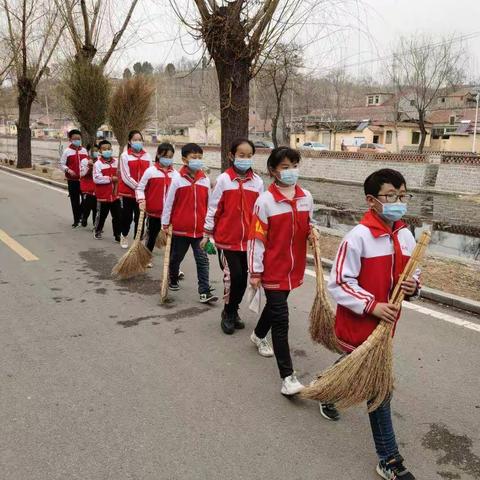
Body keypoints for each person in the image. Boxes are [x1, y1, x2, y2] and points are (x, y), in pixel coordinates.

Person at [325, 168, 419, 480]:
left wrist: (413, 288)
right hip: (359, 325)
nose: (398, 202)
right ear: (371, 200)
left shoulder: (405, 235)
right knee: (380, 390)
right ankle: (389, 459)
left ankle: (325, 391)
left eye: (402, 196)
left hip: (385, 329)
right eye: (391, 196)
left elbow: (412, 275)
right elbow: (338, 283)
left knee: (350, 367)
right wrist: (372, 305)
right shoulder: (358, 238)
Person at [248, 147, 313, 396]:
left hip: (293, 268)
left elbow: (308, 225)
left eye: (294, 165)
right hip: (272, 269)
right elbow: (257, 240)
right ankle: (288, 377)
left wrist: (313, 232)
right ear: (273, 171)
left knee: (276, 308)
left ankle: (257, 334)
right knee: (282, 319)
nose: (291, 171)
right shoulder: (264, 201)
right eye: (285, 167)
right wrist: (255, 271)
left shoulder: (306, 196)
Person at [202, 138, 264, 334]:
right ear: (231, 156)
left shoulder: (258, 183)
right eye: (241, 155)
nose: (245, 159)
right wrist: (207, 232)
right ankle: (228, 313)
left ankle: (233, 310)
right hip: (226, 240)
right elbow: (214, 208)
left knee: (243, 279)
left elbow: (261, 211)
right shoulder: (223, 180)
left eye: (249, 156)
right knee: (233, 276)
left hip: (248, 243)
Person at [161, 143, 218, 304]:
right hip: (180, 230)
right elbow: (169, 203)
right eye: (194, 157)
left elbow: (209, 204)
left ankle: (204, 291)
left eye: (200, 157)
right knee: (176, 258)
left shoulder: (204, 180)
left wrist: (210, 227)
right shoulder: (177, 179)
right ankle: (173, 277)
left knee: (202, 260)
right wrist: (165, 224)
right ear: (184, 159)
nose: (197, 160)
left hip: (200, 231)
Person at [136, 143, 179, 256]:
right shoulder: (150, 171)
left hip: (170, 214)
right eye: (165, 156)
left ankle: (172, 265)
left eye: (170, 157)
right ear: (158, 155)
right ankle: (147, 257)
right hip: (154, 213)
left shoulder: (176, 174)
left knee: (172, 240)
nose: (168, 159)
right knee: (152, 236)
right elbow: (140, 188)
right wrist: (141, 200)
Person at [118, 130, 152, 248]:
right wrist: (140, 188)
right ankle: (124, 235)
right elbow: (126, 176)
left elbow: (151, 173)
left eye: (140, 140)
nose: (138, 142)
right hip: (128, 193)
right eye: (135, 140)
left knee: (140, 218)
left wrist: (146, 189)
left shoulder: (147, 155)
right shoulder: (125, 156)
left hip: (142, 195)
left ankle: (137, 241)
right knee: (127, 217)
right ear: (129, 141)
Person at [93, 140, 121, 242]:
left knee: (117, 216)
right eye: (104, 149)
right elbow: (96, 178)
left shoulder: (117, 162)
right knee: (102, 216)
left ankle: (117, 234)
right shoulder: (98, 164)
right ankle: (98, 230)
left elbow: (120, 176)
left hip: (115, 196)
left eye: (109, 149)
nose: (107, 151)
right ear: (100, 151)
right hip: (103, 196)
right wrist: (110, 179)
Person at [59, 129, 88, 228]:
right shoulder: (67, 151)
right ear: (70, 139)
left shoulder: (84, 150)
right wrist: (68, 170)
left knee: (86, 200)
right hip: (72, 181)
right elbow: (61, 164)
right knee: (74, 201)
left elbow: (88, 163)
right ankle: (76, 221)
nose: (77, 140)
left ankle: (81, 215)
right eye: (75, 139)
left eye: (79, 139)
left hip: (84, 180)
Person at [80, 144, 98, 228]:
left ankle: (95, 224)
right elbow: (82, 173)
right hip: (87, 185)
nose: (95, 152)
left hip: (97, 186)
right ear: (88, 151)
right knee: (88, 204)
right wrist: (89, 166)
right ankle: (85, 217)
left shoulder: (100, 161)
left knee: (96, 206)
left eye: (96, 150)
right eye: (93, 150)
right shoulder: (84, 161)